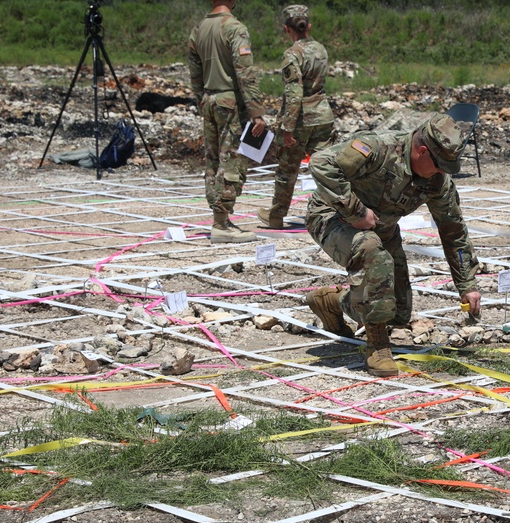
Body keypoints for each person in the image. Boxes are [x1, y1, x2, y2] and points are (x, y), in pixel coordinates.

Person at [303, 113, 482, 377]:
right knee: (373, 250)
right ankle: (377, 347)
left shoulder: (437, 181)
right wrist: (356, 211)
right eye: (440, 164)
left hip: (381, 229)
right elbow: (320, 163)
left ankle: (332, 302)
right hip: (331, 217)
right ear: (422, 151)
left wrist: (467, 285)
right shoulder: (379, 148)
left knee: (397, 313)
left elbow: (453, 230)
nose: (442, 172)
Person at [187, 0, 266, 243]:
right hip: (230, 102)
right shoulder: (235, 28)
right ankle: (221, 224)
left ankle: (218, 217)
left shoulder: (199, 28)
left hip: (210, 100)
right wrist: (256, 111)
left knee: (213, 161)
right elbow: (245, 73)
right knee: (233, 161)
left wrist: (203, 99)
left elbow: (195, 71)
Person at [257, 5, 334, 229]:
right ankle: (332, 213)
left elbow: (294, 93)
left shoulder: (292, 54)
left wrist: (288, 126)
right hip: (323, 115)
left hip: (302, 119)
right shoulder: (321, 49)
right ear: (308, 27)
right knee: (326, 169)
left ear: (286, 29)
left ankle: (276, 215)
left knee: (287, 170)